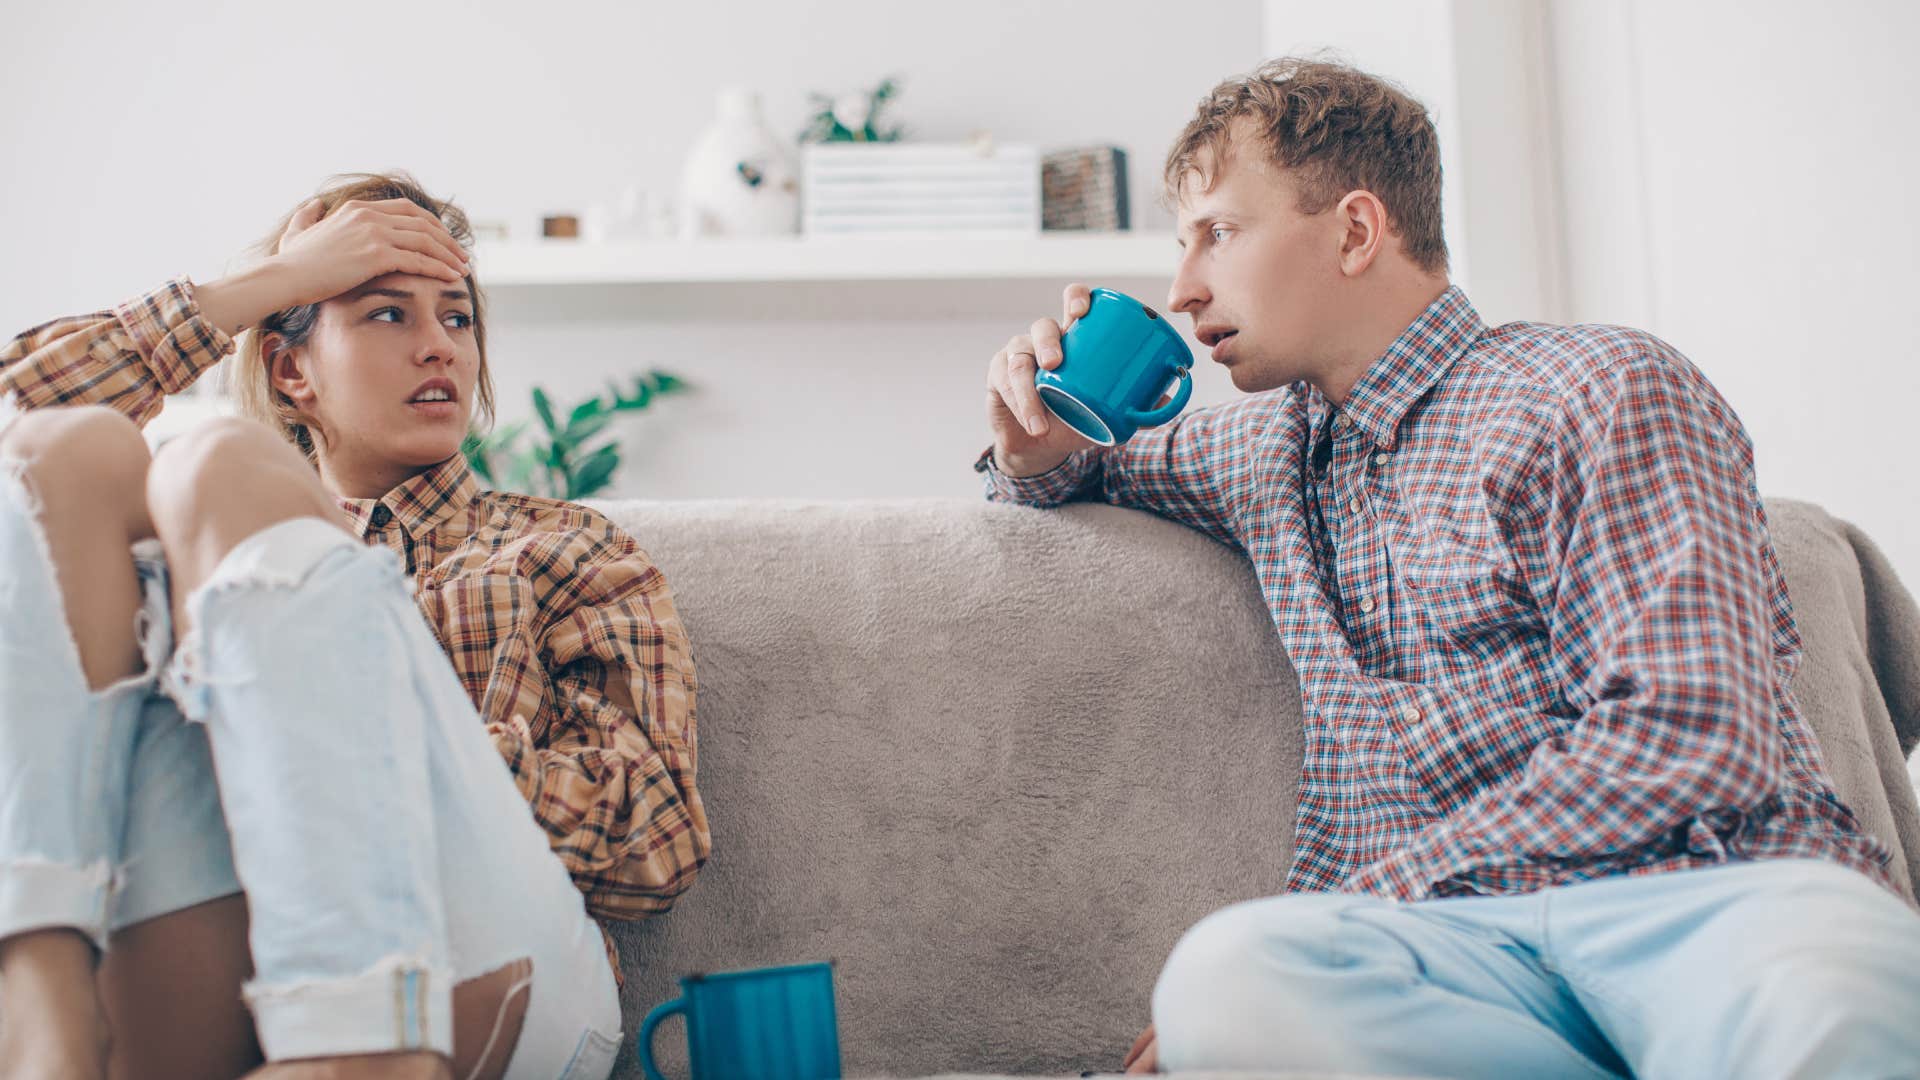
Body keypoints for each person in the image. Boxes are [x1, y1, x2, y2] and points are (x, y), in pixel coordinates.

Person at [978, 59, 1920, 1079]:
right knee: (1226, 977)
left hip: (1701, 904)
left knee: (1826, 988)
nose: (1182, 288)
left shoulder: (1597, 390)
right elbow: (1072, 472)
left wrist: (1372, 899)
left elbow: (1688, 739)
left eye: (1219, 233)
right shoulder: (1255, 454)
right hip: (1461, 965)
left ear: (1354, 230)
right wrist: (1032, 443)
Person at [0, 172, 710, 1080]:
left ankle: (361, 1044)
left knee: (214, 461)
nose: (439, 350)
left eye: (457, 319)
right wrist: (256, 291)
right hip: (229, 942)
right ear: (291, 367)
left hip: (494, 976)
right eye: (386, 315)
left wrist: (382, 710)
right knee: (67, 454)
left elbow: (659, 841)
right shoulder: (190, 540)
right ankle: (42, 1000)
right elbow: (18, 455)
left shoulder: (562, 547)